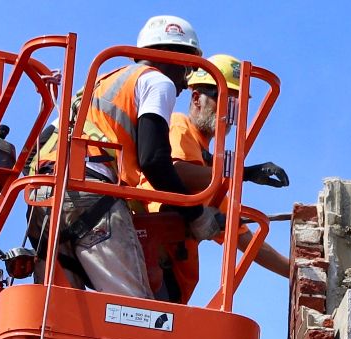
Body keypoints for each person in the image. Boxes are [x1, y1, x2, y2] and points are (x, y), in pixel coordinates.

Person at [32, 15, 221, 298]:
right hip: (90, 197)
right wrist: (196, 215)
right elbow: (154, 161)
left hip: (41, 199)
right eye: (188, 70)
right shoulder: (157, 83)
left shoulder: (102, 81)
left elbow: (42, 142)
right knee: (133, 316)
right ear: (176, 57)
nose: (185, 84)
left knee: (61, 318)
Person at [140, 53, 292, 304]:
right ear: (196, 97)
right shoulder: (180, 126)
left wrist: (297, 273)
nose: (227, 112)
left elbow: (244, 238)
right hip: (152, 260)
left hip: (167, 277)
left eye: (235, 105)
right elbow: (175, 173)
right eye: (221, 99)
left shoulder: (210, 172)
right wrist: (243, 173)